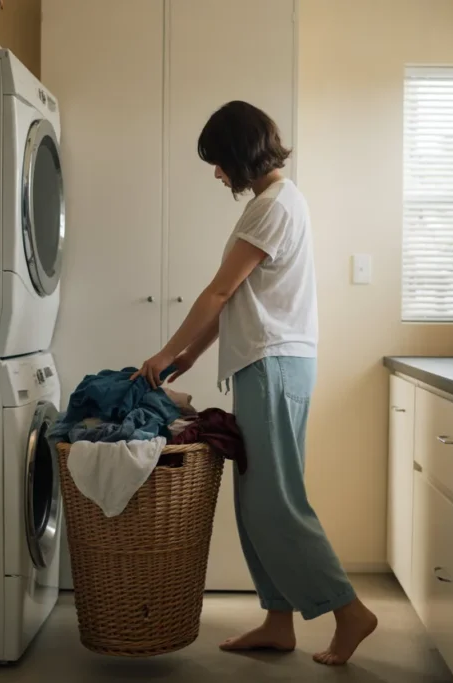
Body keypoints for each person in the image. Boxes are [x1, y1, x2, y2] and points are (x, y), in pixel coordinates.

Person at [132, 101, 377, 666]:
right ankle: (278, 621)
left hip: (274, 366)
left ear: (239, 153)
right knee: (256, 501)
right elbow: (240, 297)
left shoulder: (271, 207)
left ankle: (349, 611)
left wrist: (167, 350)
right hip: (265, 365)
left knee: (277, 502)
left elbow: (219, 291)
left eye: (218, 161)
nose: (218, 174)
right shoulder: (279, 203)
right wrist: (191, 353)